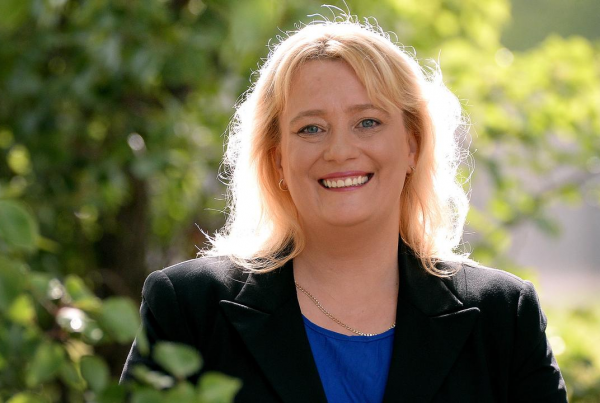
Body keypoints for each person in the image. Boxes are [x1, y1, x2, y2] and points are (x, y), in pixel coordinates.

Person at [121, 16, 567, 403]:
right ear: (278, 159)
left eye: (367, 122)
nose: (339, 151)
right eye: (311, 128)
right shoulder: (188, 308)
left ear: (412, 145)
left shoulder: (504, 316)